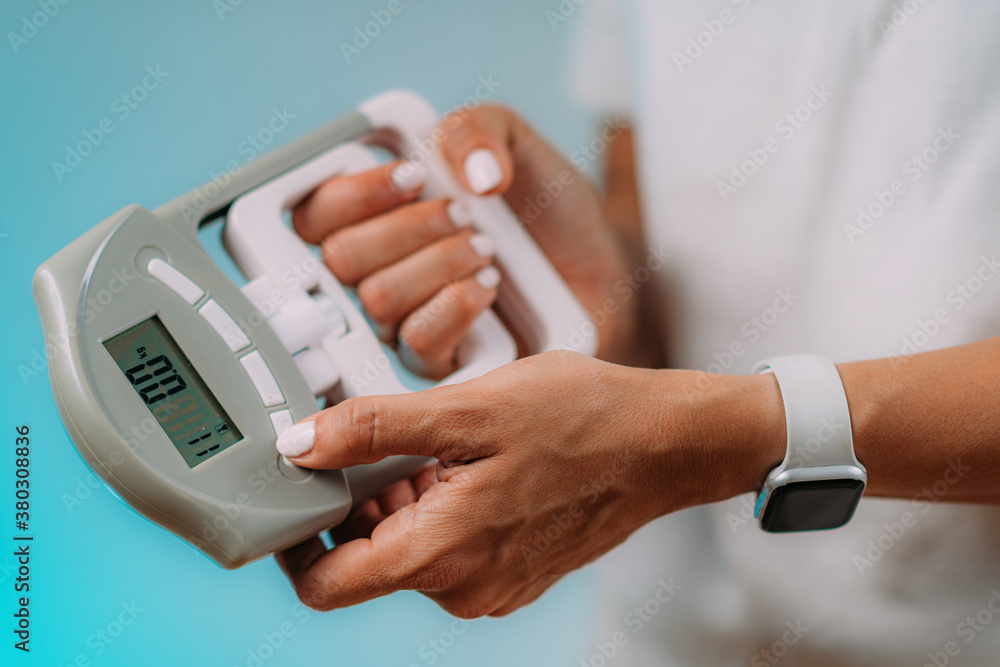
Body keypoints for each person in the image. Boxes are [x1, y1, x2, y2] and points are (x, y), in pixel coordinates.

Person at [275, 1, 1000, 663]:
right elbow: (654, 233)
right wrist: (595, 306)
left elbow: (684, 438)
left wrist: (709, 442)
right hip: (669, 639)